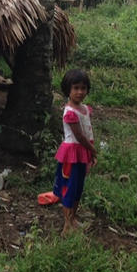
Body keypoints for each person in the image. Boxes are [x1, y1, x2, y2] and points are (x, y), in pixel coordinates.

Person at [53, 69, 97, 235]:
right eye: (76, 88)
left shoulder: (84, 108)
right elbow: (79, 136)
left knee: (78, 187)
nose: (80, 92)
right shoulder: (70, 113)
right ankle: (67, 224)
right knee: (69, 187)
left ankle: (73, 219)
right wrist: (92, 150)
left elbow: (88, 132)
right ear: (68, 89)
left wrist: (90, 154)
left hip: (82, 152)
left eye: (83, 88)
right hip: (72, 154)